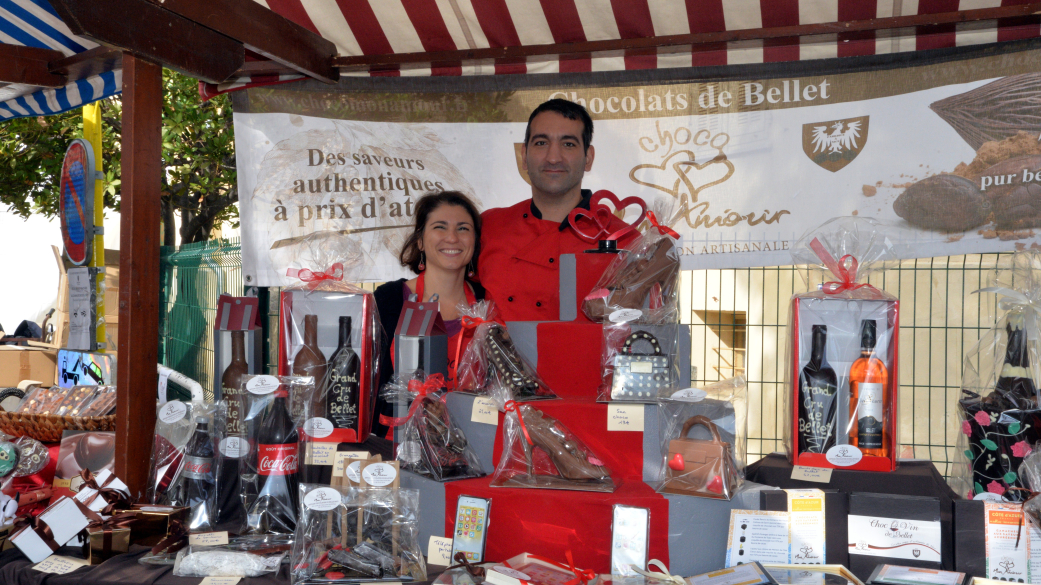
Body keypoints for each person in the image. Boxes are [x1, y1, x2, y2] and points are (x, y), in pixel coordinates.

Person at [478, 98, 637, 323]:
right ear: (524, 155)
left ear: (588, 157)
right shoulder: (488, 227)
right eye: (541, 143)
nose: (553, 157)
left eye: (568, 144)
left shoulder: (626, 241)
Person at [372, 191, 485, 435]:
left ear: (475, 240)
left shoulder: (489, 303)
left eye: (463, 228)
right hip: (397, 448)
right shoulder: (388, 300)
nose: (452, 238)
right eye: (440, 227)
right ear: (420, 241)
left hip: (475, 444)